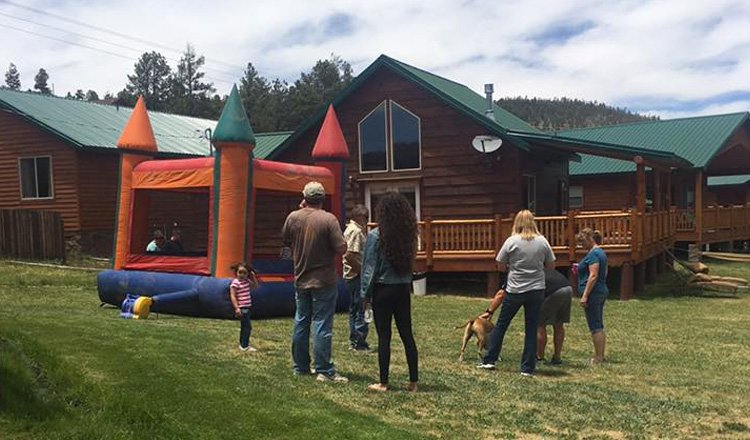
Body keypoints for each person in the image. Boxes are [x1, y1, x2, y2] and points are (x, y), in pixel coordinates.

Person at [281, 181, 348, 383]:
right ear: (323, 198)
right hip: (324, 280)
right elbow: (341, 248)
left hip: (300, 278)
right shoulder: (328, 219)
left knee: (301, 321)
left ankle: (300, 367)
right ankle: (324, 370)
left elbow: (285, 240)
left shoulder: (293, 217)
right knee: (321, 324)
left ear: (305, 197)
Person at [478, 210, 555, 377]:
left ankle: (490, 359)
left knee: (502, 324)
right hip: (536, 289)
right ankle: (527, 368)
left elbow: (499, 263)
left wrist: (511, 268)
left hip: (515, 289)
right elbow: (551, 265)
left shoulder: (512, 241)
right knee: (531, 327)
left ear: (517, 223)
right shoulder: (542, 242)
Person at [361, 192, 419, 392]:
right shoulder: (409, 234)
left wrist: (364, 294)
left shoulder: (376, 235)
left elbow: (370, 268)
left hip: (383, 289)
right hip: (403, 288)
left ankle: (383, 382)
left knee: (384, 336)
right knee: (407, 334)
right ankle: (413, 382)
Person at [577, 228, 609, 365]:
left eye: (582, 242)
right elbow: (604, 272)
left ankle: (598, 358)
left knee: (595, 326)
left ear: (590, 239)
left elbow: (594, 275)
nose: (581, 246)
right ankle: (600, 354)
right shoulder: (601, 252)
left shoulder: (593, 254)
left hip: (594, 294)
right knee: (598, 323)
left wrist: (585, 295)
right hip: (601, 290)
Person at [344, 204, 370, 351]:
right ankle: (359, 342)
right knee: (361, 308)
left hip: (351, 275)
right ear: (360, 217)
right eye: (366, 217)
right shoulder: (356, 231)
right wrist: (362, 272)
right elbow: (350, 255)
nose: (367, 221)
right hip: (356, 275)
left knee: (354, 309)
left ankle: (355, 340)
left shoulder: (350, 229)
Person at [536, 268, 573, 365]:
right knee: (558, 324)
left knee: (539, 324)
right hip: (568, 288)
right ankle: (557, 357)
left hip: (554, 292)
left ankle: (539, 357)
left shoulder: (534, 273)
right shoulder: (548, 270)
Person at [229, 262, 259, 352]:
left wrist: (253, 277)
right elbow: (233, 296)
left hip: (247, 307)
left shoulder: (246, 281)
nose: (242, 275)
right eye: (240, 272)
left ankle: (243, 344)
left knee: (244, 326)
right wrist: (237, 308)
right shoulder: (235, 283)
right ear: (236, 273)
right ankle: (244, 345)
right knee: (247, 327)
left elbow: (255, 286)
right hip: (242, 308)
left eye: (244, 273)